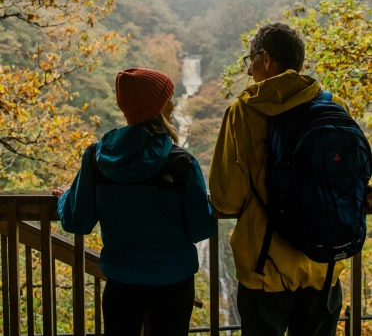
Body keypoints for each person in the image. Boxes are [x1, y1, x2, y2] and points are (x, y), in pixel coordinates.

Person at [53, 67, 216, 336]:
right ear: (157, 107)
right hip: (173, 283)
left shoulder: (96, 157)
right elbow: (201, 228)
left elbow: (76, 220)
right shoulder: (181, 163)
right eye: (168, 98)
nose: (173, 104)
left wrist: (65, 197)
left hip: (121, 282)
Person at [209, 22, 346, 336]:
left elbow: (225, 198)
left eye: (251, 60)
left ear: (266, 59)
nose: (249, 70)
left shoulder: (243, 112)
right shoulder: (332, 106)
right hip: (323, 265)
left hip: (265, 270)